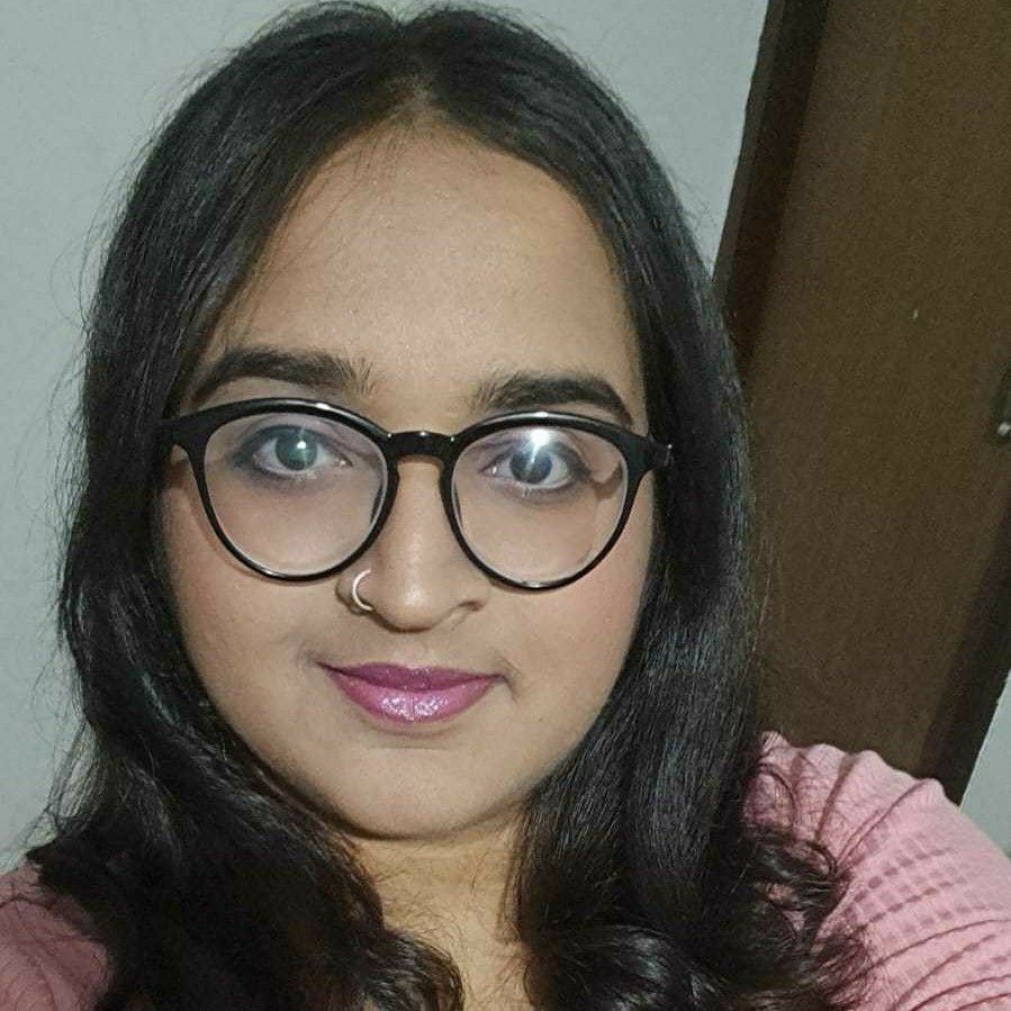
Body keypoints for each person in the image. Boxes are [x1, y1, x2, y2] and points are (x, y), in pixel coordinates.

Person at [2, 3, 1009, 1009]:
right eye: (292, 447)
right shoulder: (48, 971)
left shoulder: (849, 877)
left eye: (536, 461)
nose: (411, 590)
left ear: (672, 505)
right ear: (146, 483)